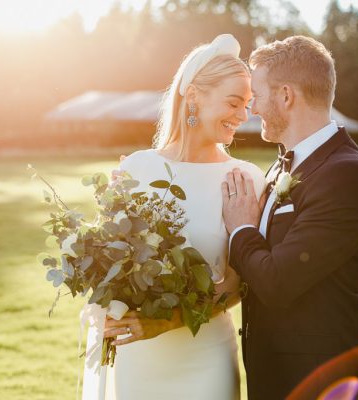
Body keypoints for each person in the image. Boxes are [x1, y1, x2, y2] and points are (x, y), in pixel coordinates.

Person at [86, 34, 266, 400]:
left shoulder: (245, 179)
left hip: (206, 358)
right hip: (138, 357)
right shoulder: (137, 168)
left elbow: (239, 284)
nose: (243, 116)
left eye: (247, 105)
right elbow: (108, 265)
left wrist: (166, 321)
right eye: (234, 102)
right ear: (195, 95)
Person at [221, 36, 358, 400]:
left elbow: (278, 281)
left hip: (322, 381)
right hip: (275, 377)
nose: (253, 109)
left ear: (285, 95)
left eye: (257, 96)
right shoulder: (282, 167)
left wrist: (242, 227)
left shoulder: (347, 175)